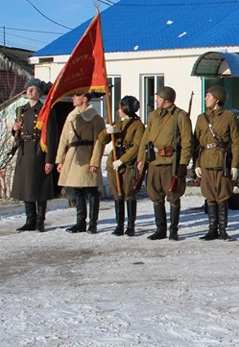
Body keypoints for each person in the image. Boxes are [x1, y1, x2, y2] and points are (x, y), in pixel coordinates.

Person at [136, 86, 193, 241]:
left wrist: (183, 164)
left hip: (171, 162)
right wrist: (141, 159)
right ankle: (160, 229)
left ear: (167, 100)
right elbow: (145, 139)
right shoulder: (153, 116)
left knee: (173, 196)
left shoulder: (180, 116)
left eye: (159, 98)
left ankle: (173, 230)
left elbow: (188, 141)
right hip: (154, 162)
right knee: (155, 195)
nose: (156, 100)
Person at [194, 86, 239, 241]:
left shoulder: (229, 117)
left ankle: (223, 230)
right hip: (206, 161)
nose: (205, 99)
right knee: (209, 196)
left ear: (217, 99)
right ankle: (212, 229)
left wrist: (235, 165)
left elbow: (236, 143)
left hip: (222, 162)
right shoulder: (201, 118)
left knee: (222, 196)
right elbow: (197, 143)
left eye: (208, 96)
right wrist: (196, 164)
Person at [92, 96, 145, 236]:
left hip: (127, 164)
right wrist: (107, 131)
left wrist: (123, 160)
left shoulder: (138, 126)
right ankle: (119, 225)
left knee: (129, 194)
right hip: (113, 163)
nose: (118, 110)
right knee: (117, 194)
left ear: (127, 109)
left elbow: (137, 146)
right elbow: (102, 139)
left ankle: (130, 226)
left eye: (121, 107)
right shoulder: (117, 124)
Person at [11, 78, 58, 232]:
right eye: (28, 88)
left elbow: (51, 136)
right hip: (25, 151)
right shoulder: (21, 110)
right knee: (26, 187)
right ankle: (29, 220)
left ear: (39, 92)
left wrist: (50, 159)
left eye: (33, 89)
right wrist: (15, 128)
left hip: (39, 151)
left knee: (39, 187)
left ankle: (40, 220)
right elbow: (18, 134)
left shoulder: (45, 111)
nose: (30, 91)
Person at [56, 92, 106, 234]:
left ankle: (92, 223)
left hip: (87, 156)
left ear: (85, 98)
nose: (73, 98)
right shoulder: (71, 117)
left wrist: (95, 161)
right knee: (77, 190)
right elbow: (64, 139)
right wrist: (60, 159)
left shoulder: (95, 119)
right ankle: (80, 222)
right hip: (74, 156)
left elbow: (99, 142)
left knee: (91, 191)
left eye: (77, 96)